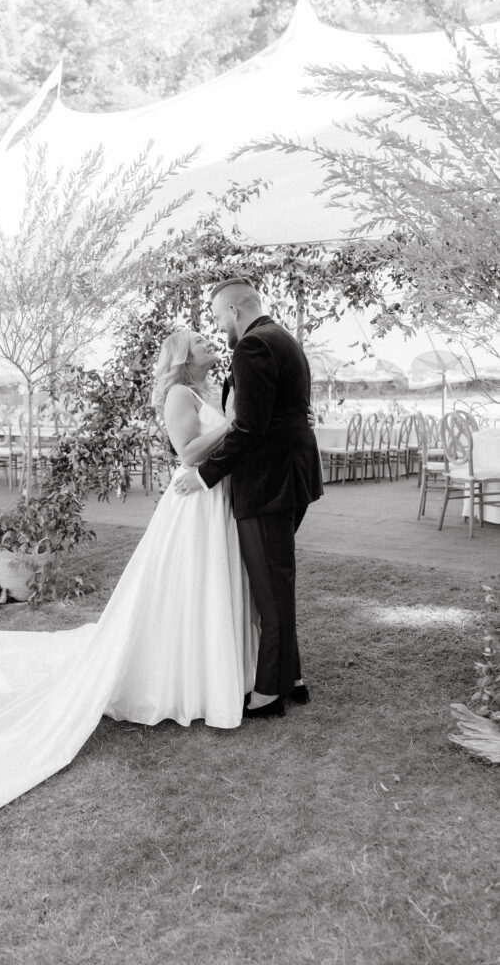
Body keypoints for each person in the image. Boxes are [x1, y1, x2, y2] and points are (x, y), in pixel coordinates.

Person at [0, 329, 260, 837]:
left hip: (215, 502)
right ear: (184, 355)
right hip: (193, 507)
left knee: (202, 591)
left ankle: (211, 668)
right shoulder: (179, 395)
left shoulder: (212, 391)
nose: (211, 342)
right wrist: (233, 424)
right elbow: (188, 452)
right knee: (187, 590)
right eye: (199, 339)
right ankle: (189, 676)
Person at [174, 278, 323, 718]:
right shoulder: (284, 339)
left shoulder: (253, 345)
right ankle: (291, 679)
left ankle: (269, 692)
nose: (220, 328)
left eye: (219, 317)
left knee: (270, 590)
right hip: (292, 477)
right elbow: (286, 412)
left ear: (235, 311)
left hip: (266, 483)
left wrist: (204, 476)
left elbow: (249, 427)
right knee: (278, 582)